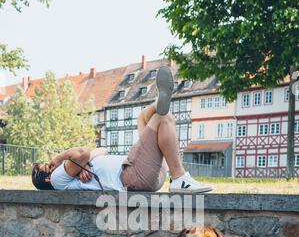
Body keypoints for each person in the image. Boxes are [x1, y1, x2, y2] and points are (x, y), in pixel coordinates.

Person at [32, 66, 212, 193]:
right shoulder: (57, 180)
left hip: (142, 172)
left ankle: (160, 101)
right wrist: (59, 157)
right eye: (48, 166)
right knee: (162, 118)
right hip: (132, 175)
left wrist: (84, 166)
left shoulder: (74, 172)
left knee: (144, 117)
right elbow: (82, 152)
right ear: (47, 178)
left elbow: (102, 150)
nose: (52, 163)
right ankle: (179, 177)